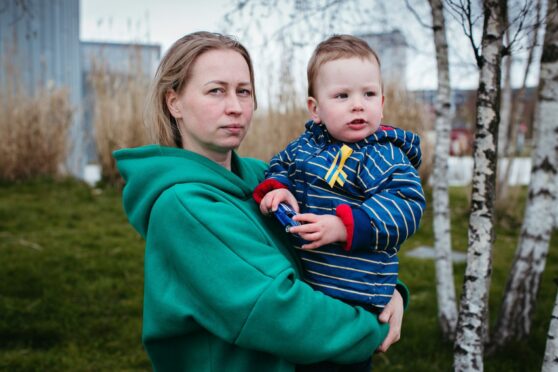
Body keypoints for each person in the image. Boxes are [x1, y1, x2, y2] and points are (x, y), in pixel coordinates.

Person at [114, 31, 409, 372]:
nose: (235, 107)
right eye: (216, 91)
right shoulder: (185, 206)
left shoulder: (263, 179)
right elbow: (279, 311)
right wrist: (374, 325)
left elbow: (335, 248)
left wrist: (389, 293)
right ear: (174, 102)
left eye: (244, 91)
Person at [254, 35, 426, 371]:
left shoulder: (383, 156)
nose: (358, 104)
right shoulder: (305, 147)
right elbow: (279, 165)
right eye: (342, 96)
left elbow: (406, 206)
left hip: (355, 295)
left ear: (382, 102)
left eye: (368, 94)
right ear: (315, 109)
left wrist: (342, 226)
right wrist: (279, 188)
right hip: (310, 286)